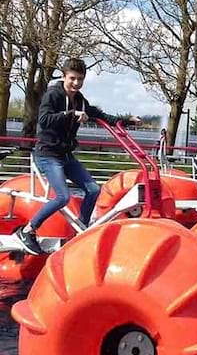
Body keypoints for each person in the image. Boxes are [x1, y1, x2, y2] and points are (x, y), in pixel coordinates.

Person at [15, 58, 141, 255]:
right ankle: (27, 230)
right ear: (64, 76)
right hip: (47, 155)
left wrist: (125, 121)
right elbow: (44, 120)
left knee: (93, 189)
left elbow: (99, 115)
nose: (76, 83)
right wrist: (71, 114)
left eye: (80, 79)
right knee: (63, 196)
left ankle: (79, 230)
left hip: (66, 155)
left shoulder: (80, 99)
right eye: (72, 78)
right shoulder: (53, 95)